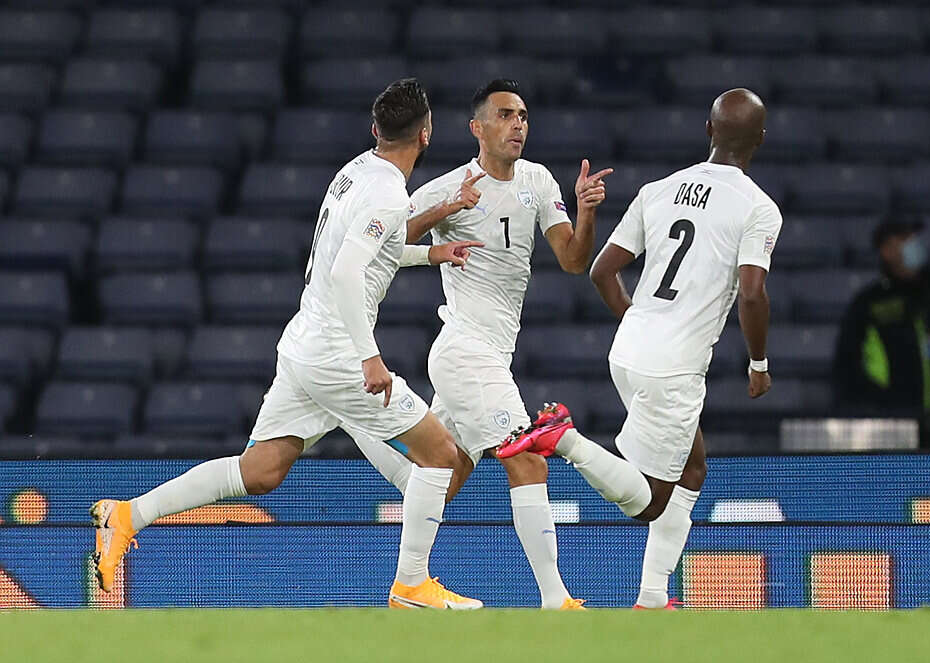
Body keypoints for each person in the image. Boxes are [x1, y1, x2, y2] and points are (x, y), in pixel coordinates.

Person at [91, 78, 486, 610]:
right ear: (426, 134)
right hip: (338, 355)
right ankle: (411, 584)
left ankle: (127, 515)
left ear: (375, 130)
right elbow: (347, 273)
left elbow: (358, 253)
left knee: (260, 471)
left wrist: (431, 255)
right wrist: (369, 357)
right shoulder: (389, 194)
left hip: (304, 344)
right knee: (441, 456)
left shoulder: (354, 172)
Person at [497, 88, 782, 610]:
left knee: (692, 467)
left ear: (708, 130)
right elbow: (752, 292)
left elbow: (602, 271)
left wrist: (639, 324)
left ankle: (653, 597)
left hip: (628, 349)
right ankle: (564, 439)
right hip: (674, 367)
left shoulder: (659, 190)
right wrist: (758, 364)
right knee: (650, 502)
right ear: (760, 140)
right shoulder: (758, 208)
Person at [353, 79, 611, 610]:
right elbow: (384, 242)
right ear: (478, 127)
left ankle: (406, 582)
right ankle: (557, 599)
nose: (518, 124)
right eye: (506, 115)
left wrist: (585, 211)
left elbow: (572, 260)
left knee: (440, 476)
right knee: (528, 459)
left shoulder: (538, 180)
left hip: (490, 353)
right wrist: (444, 217)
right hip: (465, 350)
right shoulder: (449, 186)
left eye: (523, 115)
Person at [834, 218, 930, 445]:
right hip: (895, 427)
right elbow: (849, 362)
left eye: (914, 237)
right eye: (904, 239)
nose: (913, 244)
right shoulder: (870, 304)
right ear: (886, 250)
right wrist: (881, 401)